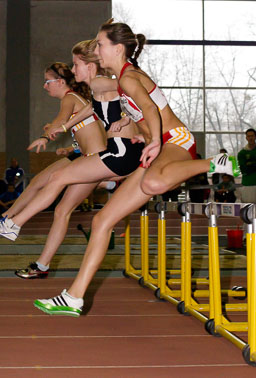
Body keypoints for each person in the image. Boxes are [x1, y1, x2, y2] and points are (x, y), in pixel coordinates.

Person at [32, 19, 241, 317]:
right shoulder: (120, 81)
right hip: (159, 145)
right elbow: (141, 112)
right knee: (102, 220)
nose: (97, 49)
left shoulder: (129, 78)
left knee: (154, 184)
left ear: (117, 49)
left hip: (175, 140)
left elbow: (150, 107)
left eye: (100, 44)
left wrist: (154, 138)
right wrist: (132, 128)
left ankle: (216, 162)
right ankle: (74, 296)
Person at [0, 40, 144, 249]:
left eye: (75, 65)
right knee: (50, 192)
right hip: (105, 153)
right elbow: (91, 111)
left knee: (56, 189)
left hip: (114, 153)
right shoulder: (94, 92)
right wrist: (64, 130)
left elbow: (130, 86)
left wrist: (134, 111)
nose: (72, 69)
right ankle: (13, 226)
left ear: (89, 66)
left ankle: (12, 223)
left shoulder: (89, 87)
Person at [237, 128, 256, 203]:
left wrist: (251, 164)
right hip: (247, 184)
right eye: (249, 136)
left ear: (255, 136)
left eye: (252, 136)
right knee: (248, 207)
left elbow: (249, 167)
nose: (251, 138)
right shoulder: (242, 153)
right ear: (246, 138)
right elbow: (244, 169)